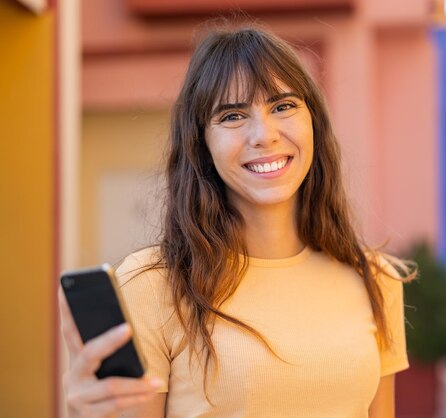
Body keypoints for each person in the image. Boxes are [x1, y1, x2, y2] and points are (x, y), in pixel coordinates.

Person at [59, 24, 414, 418]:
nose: (264, 135)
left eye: (282, 106)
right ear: (202, 144)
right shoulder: (151, 287)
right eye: (232, 115)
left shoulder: (375, 278)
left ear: (313, 121)